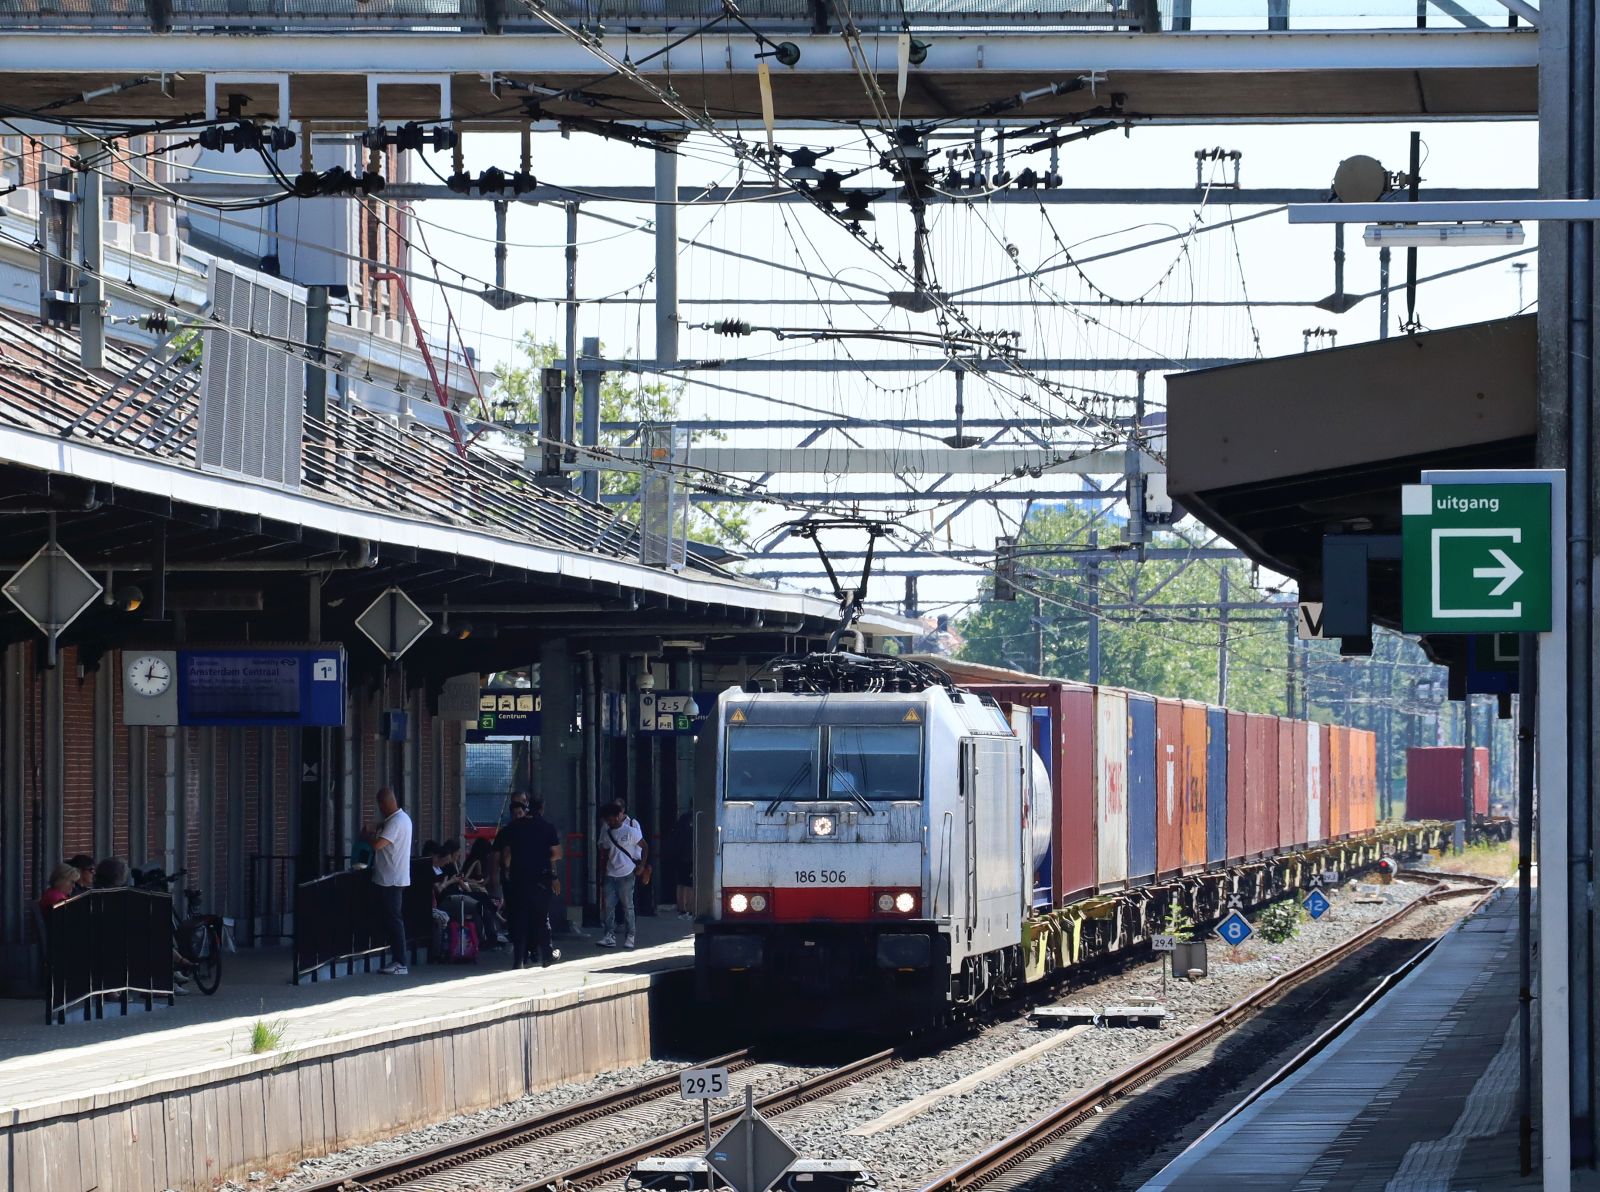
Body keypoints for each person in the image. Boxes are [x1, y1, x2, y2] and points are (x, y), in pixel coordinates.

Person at [498, 795, 562, 968]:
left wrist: (508, 871)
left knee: (519, 919)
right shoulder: (547, 828)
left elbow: (506, 856)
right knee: (541, 918)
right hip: (541, 879)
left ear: (527, 807)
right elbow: (556, 853)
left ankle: (518, 960)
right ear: (542, 808)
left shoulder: (513, 827)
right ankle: (547, 954)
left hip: (518, 880)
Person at [361, 787, 413, 976]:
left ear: (384, 804)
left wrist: (366, 836)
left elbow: (378, 845)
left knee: (393, 920)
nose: (379, 809)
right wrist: (376, 826)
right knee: (390, 919)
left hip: (389, 880)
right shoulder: (402, 819)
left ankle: (400, 962)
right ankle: (395, 958)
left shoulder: (396, 823)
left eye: (380, 805)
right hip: (394, 878)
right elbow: (384, 825)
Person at [598, 801, 644, 950]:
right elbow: (604, 849)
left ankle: (630, 936)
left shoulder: (630, 831)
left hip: (627, 873)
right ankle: (609, 935)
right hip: (611, 873)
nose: (609, 822)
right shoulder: (607, 831)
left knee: (627, 906)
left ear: (619, 816)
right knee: (609, 907)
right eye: (607, 820)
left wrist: (642, 865)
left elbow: (645, 846)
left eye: (611, 819)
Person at [666, 811, 694, 920]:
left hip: (679, 856)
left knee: (680, 883)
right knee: (690, 885)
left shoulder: (683, 818)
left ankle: (681, 909)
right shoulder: (695, 818)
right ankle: (691, 910)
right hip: (689, 856)